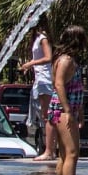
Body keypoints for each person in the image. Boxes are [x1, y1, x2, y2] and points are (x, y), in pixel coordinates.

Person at [49, 25, 88, 175]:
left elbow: (75, 89)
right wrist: (68, 111)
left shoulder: (66, 59)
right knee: (72, 153)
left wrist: (79, 112)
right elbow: (59, 84)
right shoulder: (65, 60)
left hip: (65, 110)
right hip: (62, 110)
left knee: (64, 155)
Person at [18, 24, 57, 161]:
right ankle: (50, 150)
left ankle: (49, 151)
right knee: (44, 116)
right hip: (40, 80)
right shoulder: (37, 38)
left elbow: (48, 57)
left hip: (45, 79)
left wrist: (30, 63)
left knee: (47, 116)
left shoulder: (43, 38)